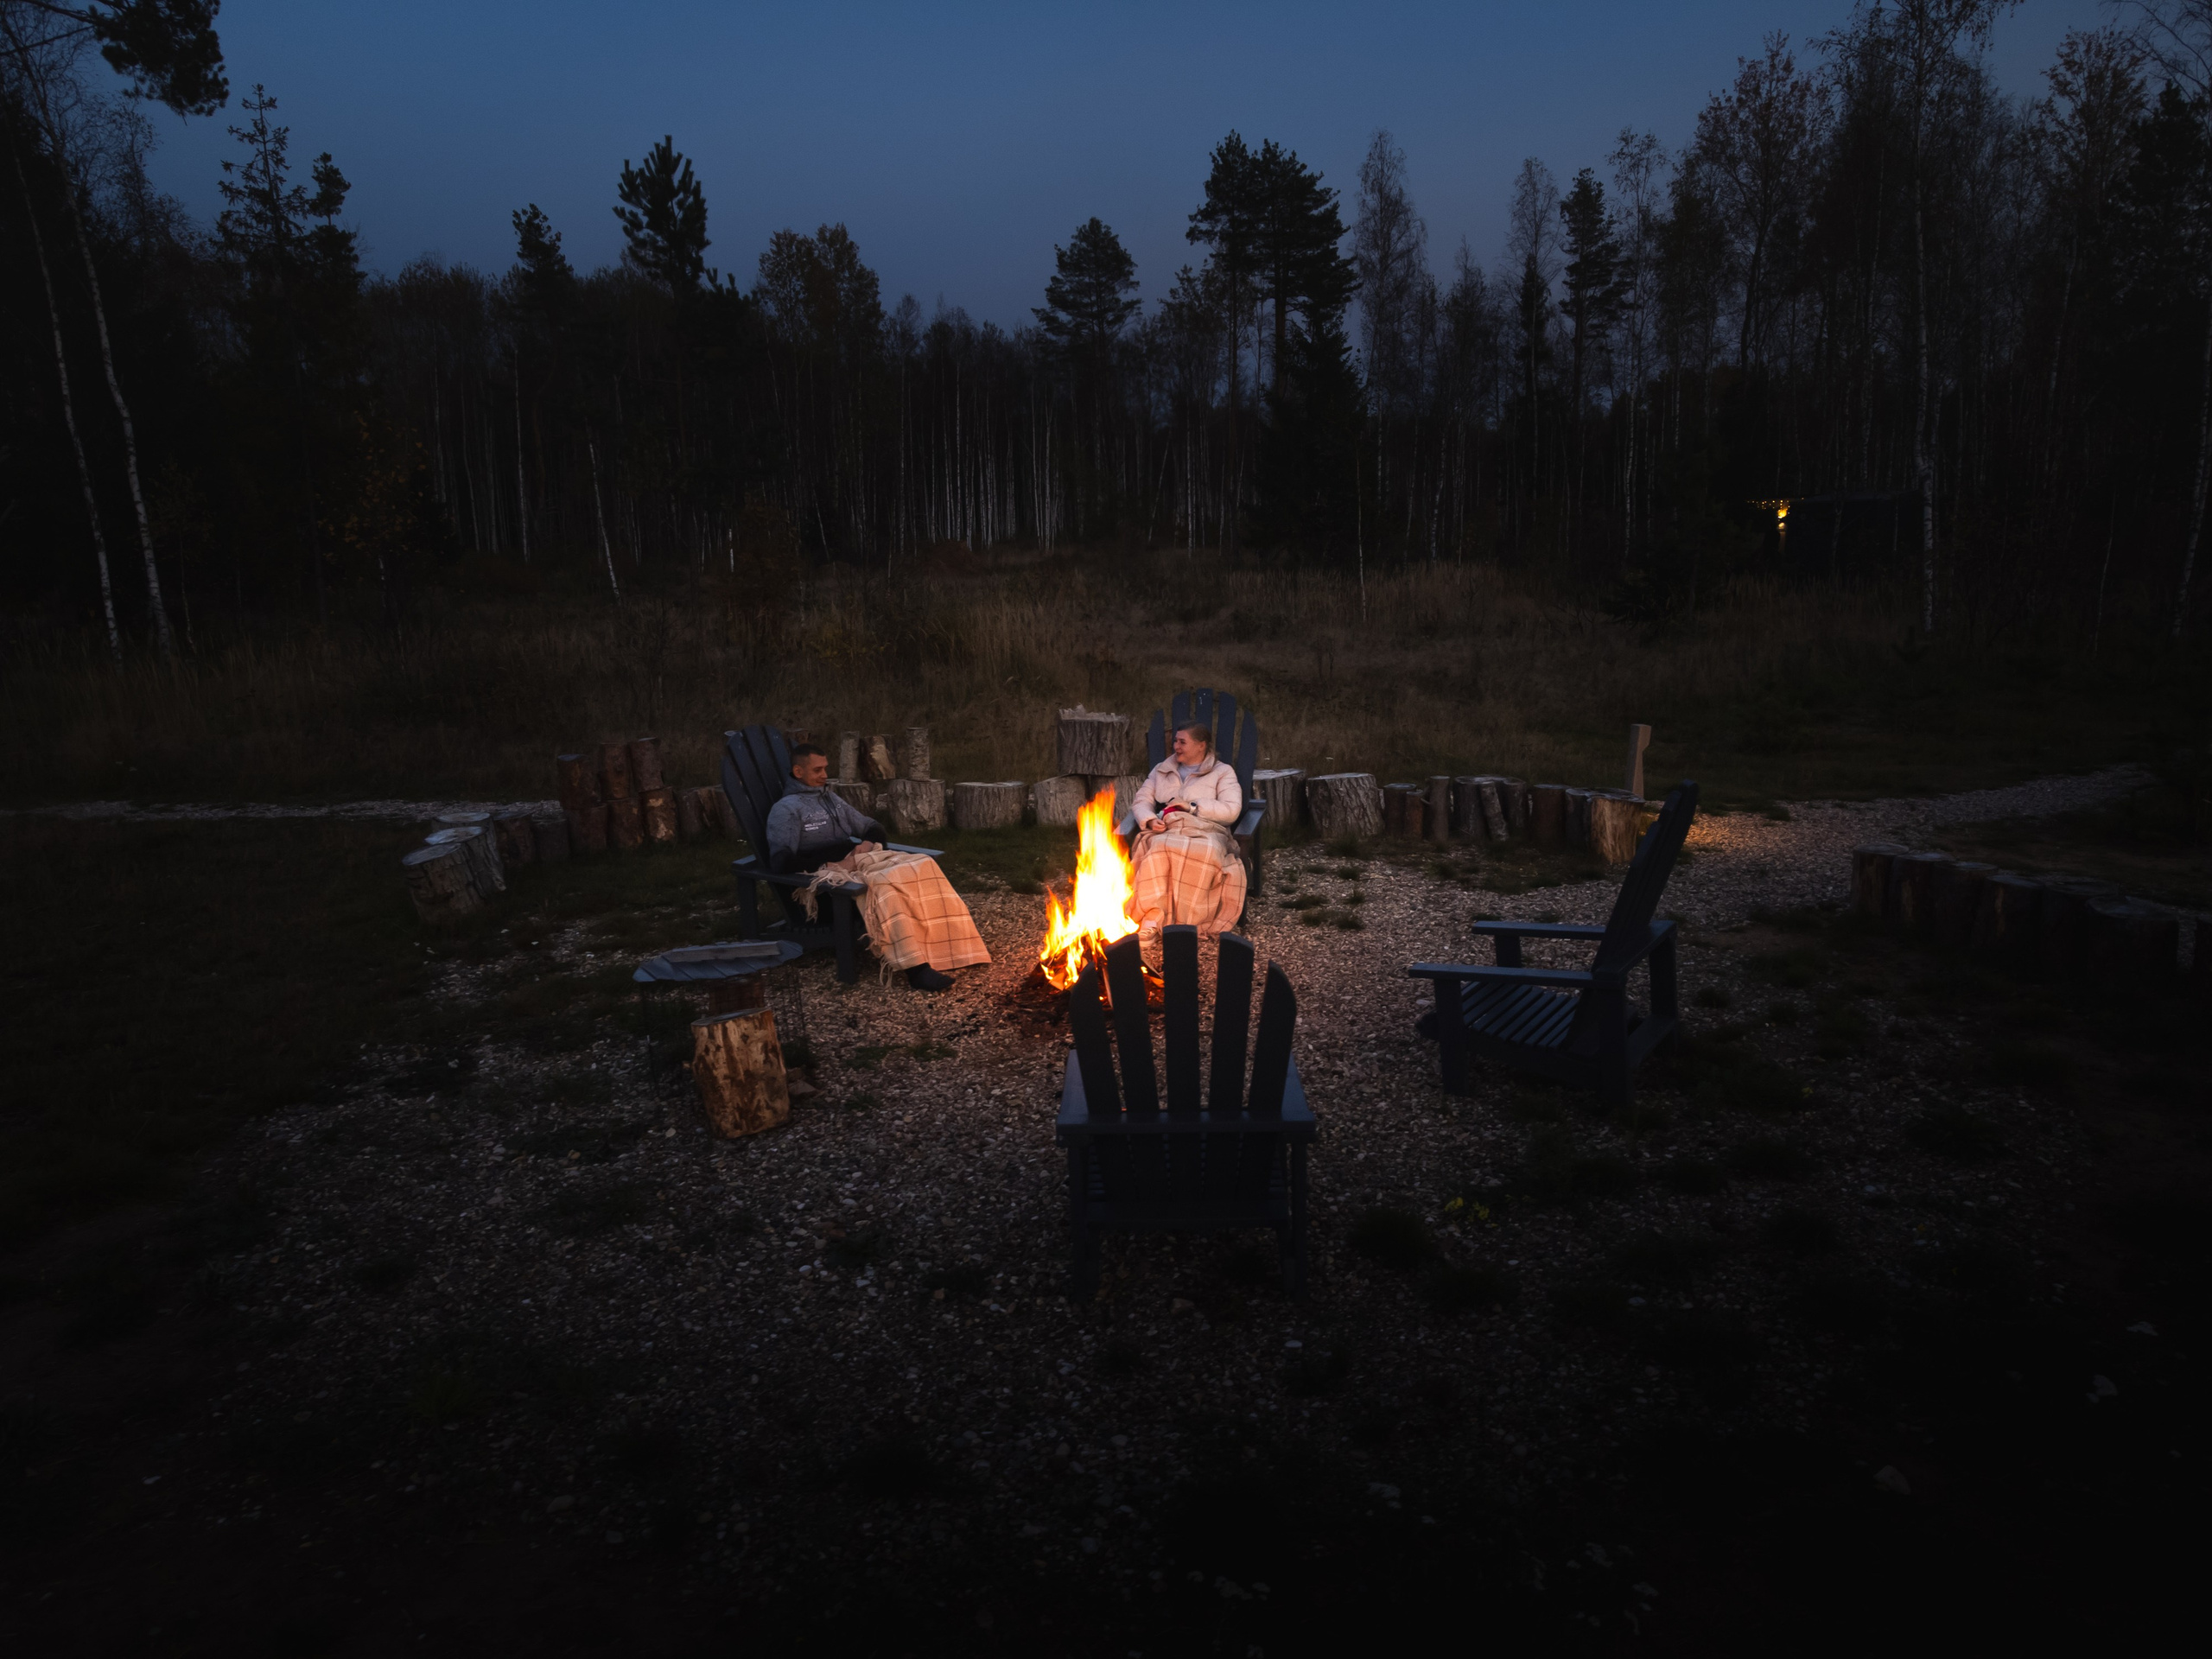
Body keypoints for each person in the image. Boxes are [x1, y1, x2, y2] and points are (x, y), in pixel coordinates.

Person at [765, 743, 988, 992]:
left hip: (857, 861)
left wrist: (868, 843)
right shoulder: (785, 810)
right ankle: (916, 970)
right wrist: (834, 865)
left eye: (826, 768)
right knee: (885, 885)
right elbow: (781, 861)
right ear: (798, 772)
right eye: (818, 770)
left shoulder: (830, 798)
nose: (825, 775)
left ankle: (952, 947)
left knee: (925, 865)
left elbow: (872, 827)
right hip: (829, 887)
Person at [1128, 722, 1248, 962]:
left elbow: (1232, 809)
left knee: (1205, 853)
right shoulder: (1162, 770)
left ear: (1201, 745)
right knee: (1159, 848)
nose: (1176, 747)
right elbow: (1141, 800)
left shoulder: (1222, 772)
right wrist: (1150, 821)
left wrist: (1193, 807)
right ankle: (1152, 920)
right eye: (1175, 741)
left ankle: (1188, 924)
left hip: (1207, 829)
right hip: (1168, 827)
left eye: (1182, 742)